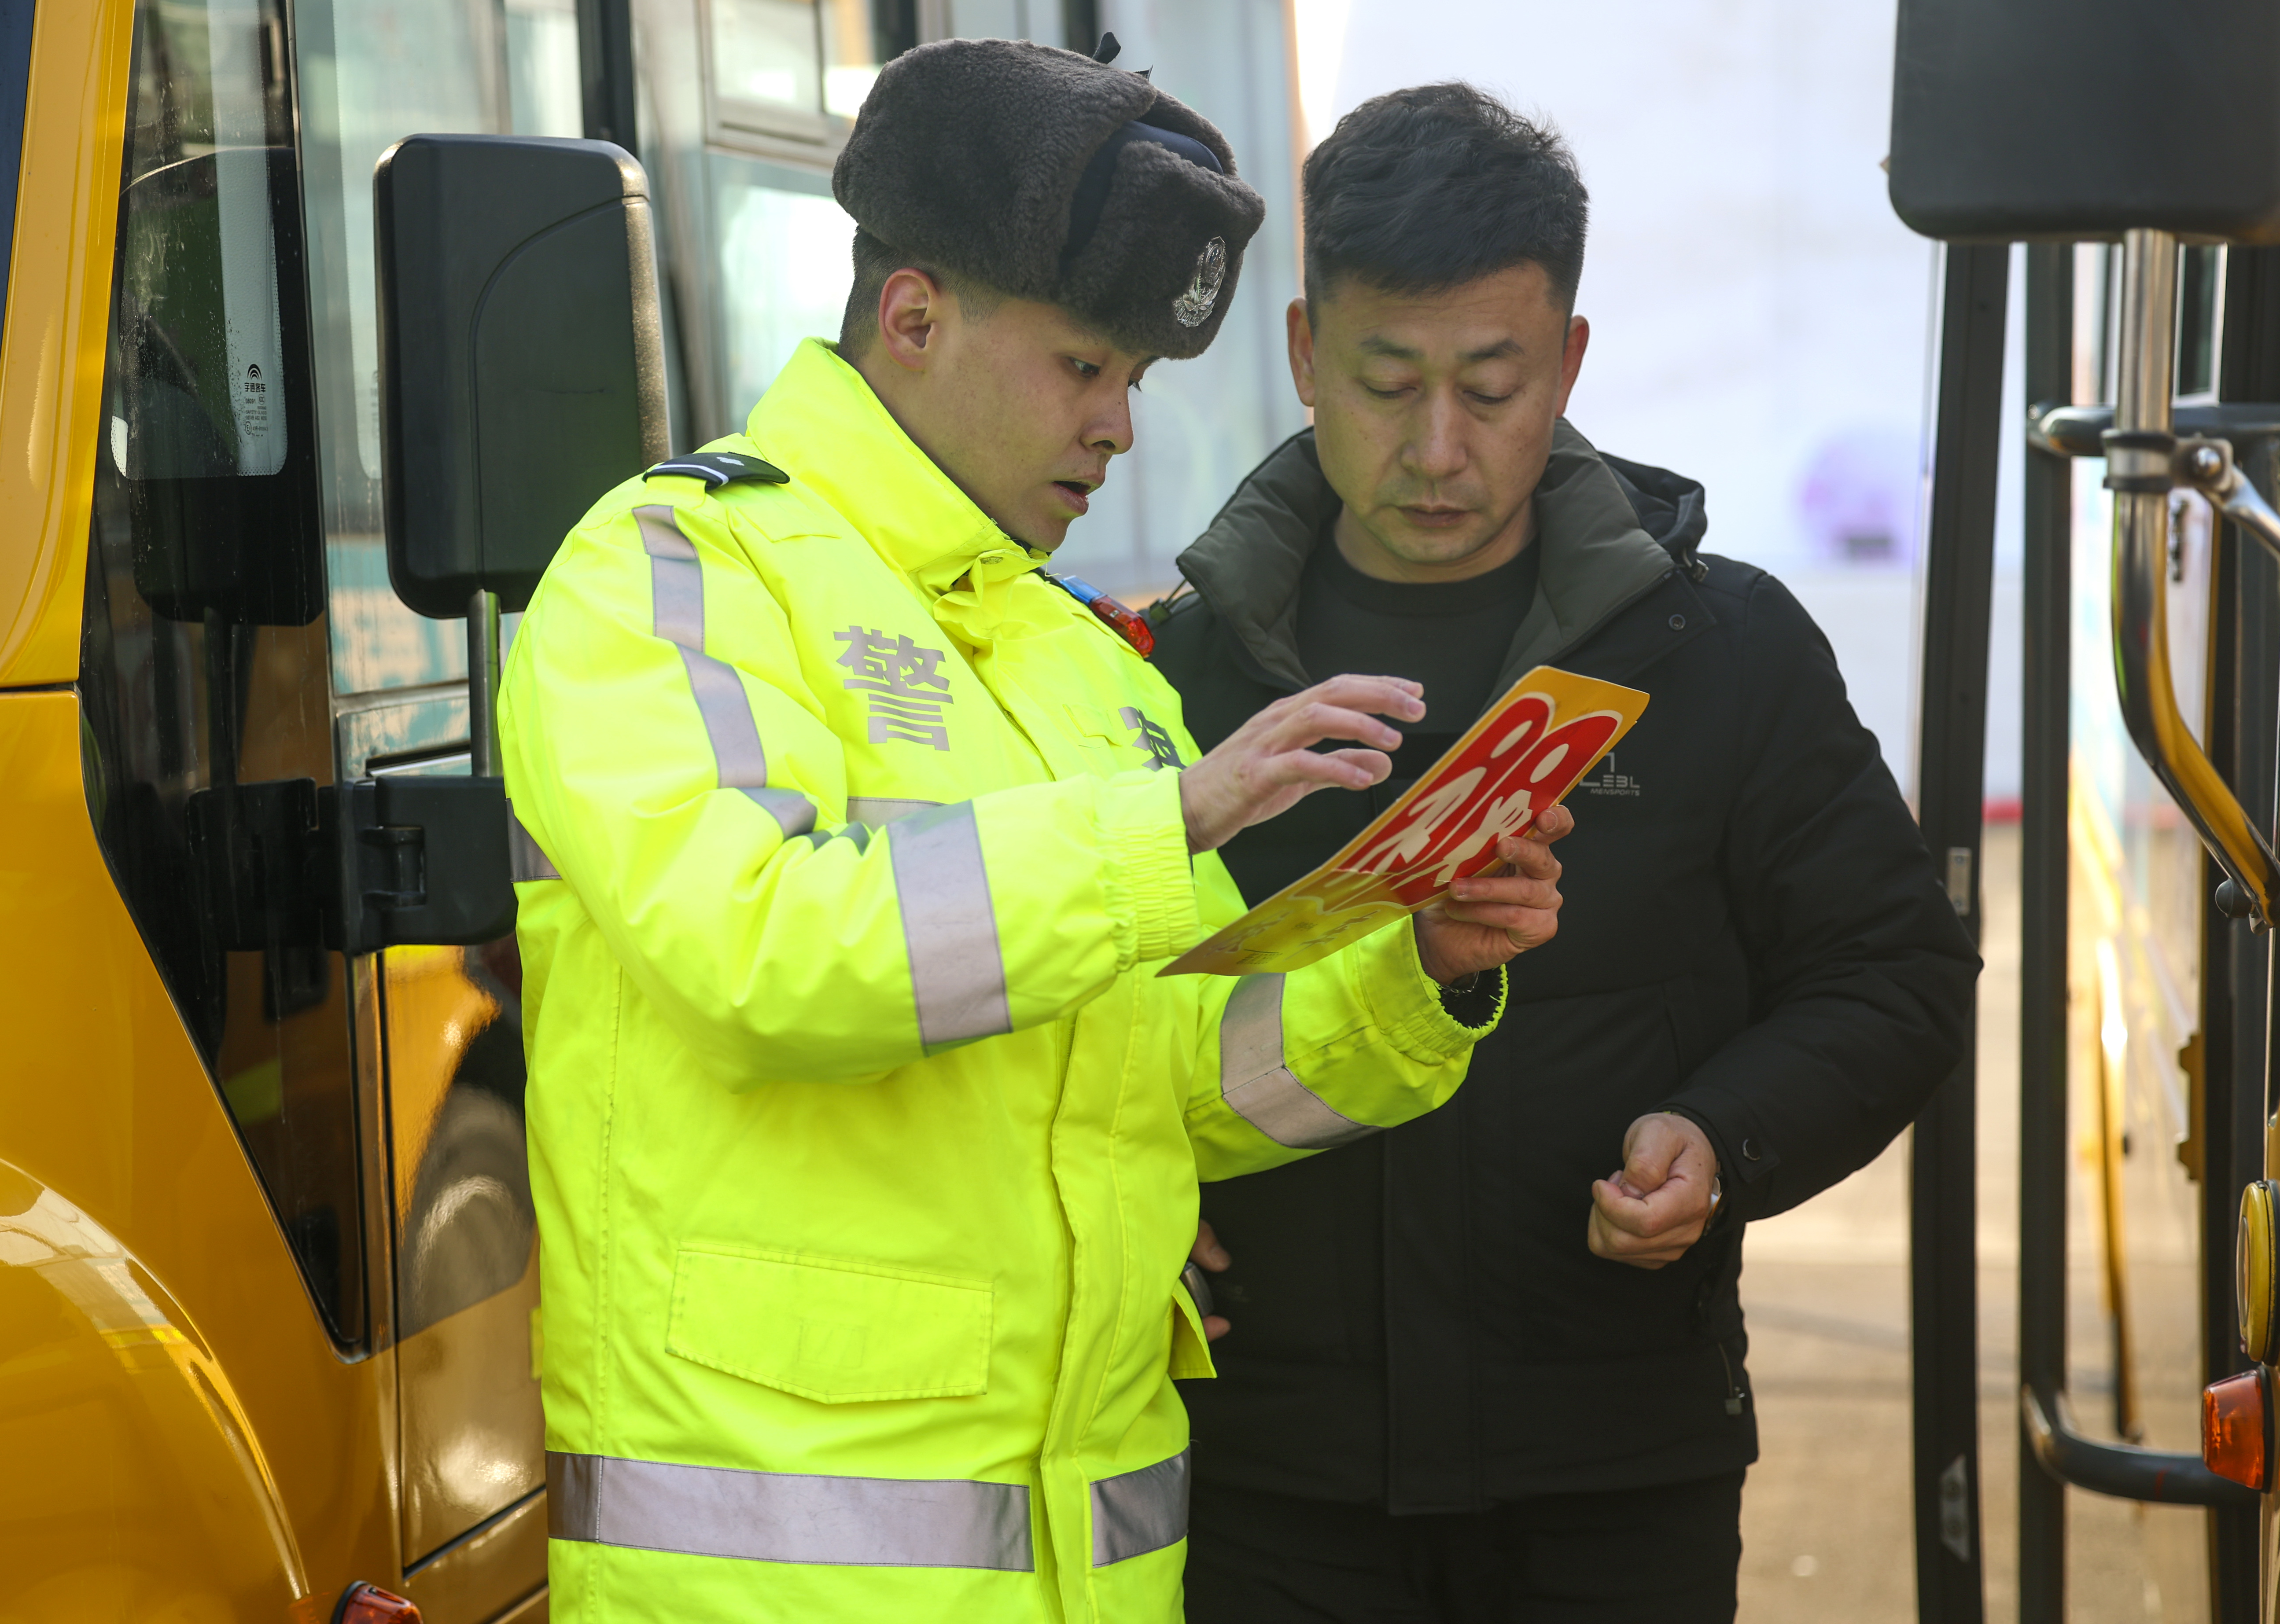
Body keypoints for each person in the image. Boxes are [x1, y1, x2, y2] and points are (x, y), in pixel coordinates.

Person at [497, 41, 1573, 1624]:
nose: (1119, 428)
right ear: (912, 317)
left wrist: (1414, 962)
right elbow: (759, 954)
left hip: (1091, 1577)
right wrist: (1173, 821)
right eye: (1084, 368)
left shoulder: (1077, 658)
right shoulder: (672, 570)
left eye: (1133, 382)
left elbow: (1182, 1080)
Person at [1150, 83, 1979, 1623]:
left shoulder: (1718, 650)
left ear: (1571, 363)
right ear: (1301, 354)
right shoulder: (1166, 678)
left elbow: (1896, 971)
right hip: (1263, 1472)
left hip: (1613, 1468)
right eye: (1386, 381)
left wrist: (1722, 1139)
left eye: (1492, 382)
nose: (1439, 447)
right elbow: (1068, 1021)